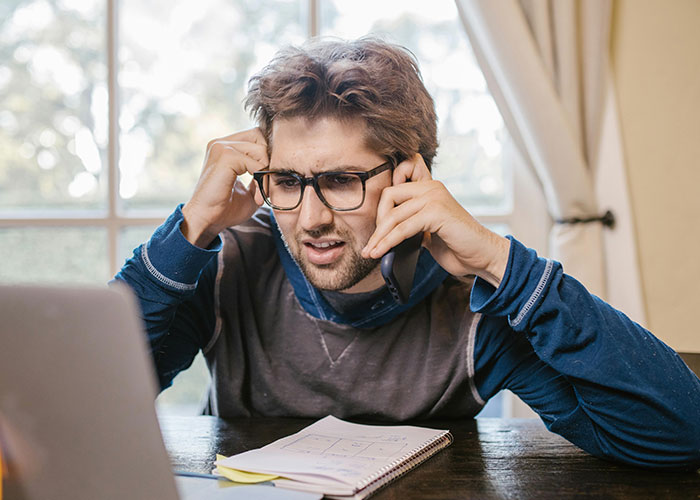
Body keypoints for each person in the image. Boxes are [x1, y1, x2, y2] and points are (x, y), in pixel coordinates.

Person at [114, 37, 700, 469]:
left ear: (409, 177)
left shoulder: (473, 308)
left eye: (342, 179)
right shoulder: (225, 267)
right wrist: (188, 231)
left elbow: (679, 435)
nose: (311, 219)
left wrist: (502, 264)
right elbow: (91, 406)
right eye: (287, 181)